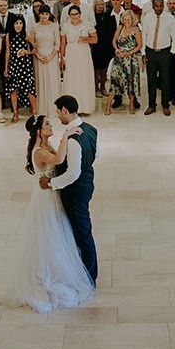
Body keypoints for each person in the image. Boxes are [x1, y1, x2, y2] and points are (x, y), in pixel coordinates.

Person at [1, 114, 94, 313]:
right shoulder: (39, 151)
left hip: (51, 193)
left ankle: (54, 268)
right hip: (45, 198)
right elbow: (59, 159)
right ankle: (49, 271)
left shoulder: (47, 145)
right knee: (49, 232)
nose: (51, 126)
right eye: (47, 124)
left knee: (57, 232)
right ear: (38, 131)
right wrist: (67, 135)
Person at [39, 95, 99, 285]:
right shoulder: (91, 129)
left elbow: (72, 173)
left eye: (58, 111)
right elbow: (96, 154)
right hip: (88, 183)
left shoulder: (73, 140)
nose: (57, 116)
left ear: (65, 110)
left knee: (82, 232)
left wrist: (51, 183)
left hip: (75, 190)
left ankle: (89, 276)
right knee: (81, 229)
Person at [141, 0, 175, 116]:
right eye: (156, 6)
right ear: (152, 6)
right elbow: (143, 35)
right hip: (150, 52)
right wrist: (143, 52)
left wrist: (172, 51)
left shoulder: (170, 18)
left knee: (165, 80)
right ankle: (151, 105)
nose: (158, 8)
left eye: (160, 6)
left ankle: (165, 105)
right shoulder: (147, 17)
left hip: (165, 52)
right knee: (151, 80)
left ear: (164, 6)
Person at [60, 5, 97, 115]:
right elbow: (62, 44)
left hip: (83, 54)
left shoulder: (87, 24)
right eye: (72, 14)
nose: (74, 16)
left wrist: (87, 39)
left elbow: (95, 39)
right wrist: (62, 58)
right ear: (69, 15)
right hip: (71, 53)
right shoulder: (66, 26)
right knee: (72, 79)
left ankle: (85, 107)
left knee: (84, 78)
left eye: (76, 14)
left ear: (80, 14)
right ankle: (72, 108)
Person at [105, 10, 142, 115]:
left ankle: (131, 105)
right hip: (119, 59)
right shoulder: (120, 28)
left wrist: (129, 53)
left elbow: (139, 45)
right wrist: (116, 49)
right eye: (125, 19)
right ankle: (108, 106)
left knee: (131, 83)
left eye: (128, 19)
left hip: (131, 60)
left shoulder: (136, 30)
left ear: (132, 19)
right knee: (115, 82)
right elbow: (114, 41)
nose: (127, 21)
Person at [28, 5, 61, 117]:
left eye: (46, 14)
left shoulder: (54, 26)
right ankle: (41, 108)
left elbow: (58, 44)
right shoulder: (34, 27)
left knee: (52, 81)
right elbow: (32, 43)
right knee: (40, 81)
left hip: (52, 56)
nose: (44, 16)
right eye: (42, 14)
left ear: (49, 14)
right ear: (39, 14)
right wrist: (38, 55)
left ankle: (54, 108)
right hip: (39, 57)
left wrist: (51, 57)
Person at [5, 17, 38, 122]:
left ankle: (35, 112)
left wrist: (26, 52)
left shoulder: (27, 35)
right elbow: (7, 52)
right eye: (16, 23)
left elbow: (35, 49)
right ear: (12, 24)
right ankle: (15, 112)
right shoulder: (9, 36)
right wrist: (6, 67)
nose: (18, 25)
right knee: (13, 89)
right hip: (14, 65)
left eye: (20, 23)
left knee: (30, 88)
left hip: (25, 65)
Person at [90, 0, 110, 97]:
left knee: (104, 69)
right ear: (95, 6)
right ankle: (95, 88)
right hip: (96, 46)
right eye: (99, 5)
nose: (101, 6)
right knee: (96, 69)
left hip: (106, 46)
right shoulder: (92, 17)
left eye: (102, 4)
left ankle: (103, 87)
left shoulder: (107, 15)